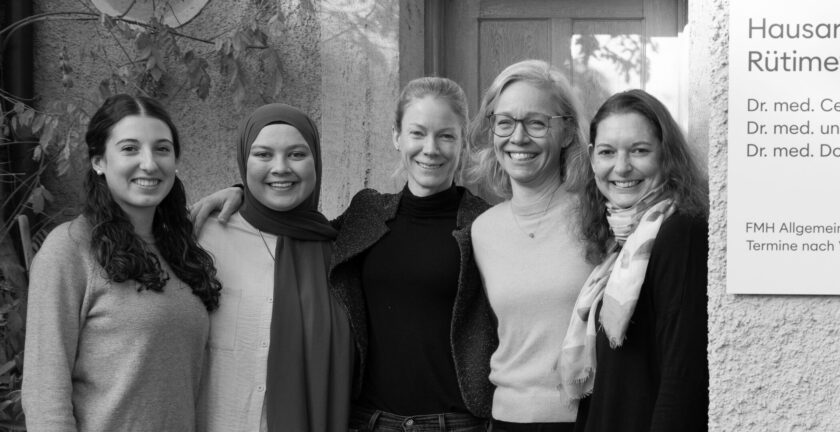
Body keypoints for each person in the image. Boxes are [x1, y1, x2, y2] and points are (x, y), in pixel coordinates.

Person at [190, 77, 496, 431]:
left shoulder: (486, 225)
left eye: (446, 136)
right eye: (417, 133)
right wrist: (242, 193)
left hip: (456, 424)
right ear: (396, 136)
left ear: (463, 142)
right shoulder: (367, 213)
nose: (431, 149)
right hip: (370, 422)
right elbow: (298, 226)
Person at [22, 94, 222, 432]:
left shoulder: (180, 249)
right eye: (130, 148)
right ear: (99, 161)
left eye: (162, 149)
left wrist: (238, 192)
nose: (149, 163)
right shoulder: (69, 249)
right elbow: (45, 395)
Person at [558, 89, 710, 431]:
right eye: (607, 152)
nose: (621, 167)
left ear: (666, 155)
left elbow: (683, 376)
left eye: (639, 150)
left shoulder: (680, 232)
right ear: (592, 158)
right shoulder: (622, 244)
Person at [197, 103, 352, 432]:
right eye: (263, 155)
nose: (280, 168)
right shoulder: (200, 237)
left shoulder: (342, 253)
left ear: (316, 161)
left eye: (296, 154)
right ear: (244, 160)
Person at [467, 59, 596, 432]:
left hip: (585, 418)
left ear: (567, 132)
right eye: (505, 122)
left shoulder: (596, 218)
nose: (518, 138)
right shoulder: (481, 231)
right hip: (507, 419)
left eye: (536, 123)